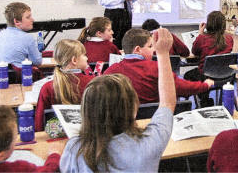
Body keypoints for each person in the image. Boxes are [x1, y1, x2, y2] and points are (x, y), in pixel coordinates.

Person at [60, 28, 177, 172]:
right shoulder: (149, 142)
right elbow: (167, 103)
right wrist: (163, 53)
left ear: (86, 111)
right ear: (133, 107)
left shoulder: (74, 148)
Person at [104, 29, 213, 104]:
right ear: (137, 49)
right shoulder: (156, 68)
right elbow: (181, 87)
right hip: (154, 120)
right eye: (150, 46)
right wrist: (205, 85)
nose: (154, 49)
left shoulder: (110, 72)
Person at [0, 105, 64, 172]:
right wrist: (55, 155)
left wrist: (4, 148)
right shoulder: (19, 168)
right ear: (1, 156)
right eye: (15, 140)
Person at [35, 39, 94, 131]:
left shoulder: (47, 87)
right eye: (84, 55)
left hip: (56, 138)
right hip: (89, 136)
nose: (87, 58)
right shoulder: (93, 83)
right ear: (74, 60)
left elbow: (39, 124)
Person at [183, 11, 233, 106]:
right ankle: (205, 99)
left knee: (188, 75)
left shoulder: (202, 39)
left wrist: (200, 33)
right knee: (204, 74)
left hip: (205, 76)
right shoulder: (229, 39)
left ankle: (201, 100)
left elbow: (194, 51)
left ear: (208, 24)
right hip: (224, 76)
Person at [0, 2, 42, 68]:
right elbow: (37, 62)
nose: (32, 20)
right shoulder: (28, 38)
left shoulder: (0, 35)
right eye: (28, 17)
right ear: (17, 22)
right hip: (17, 76)